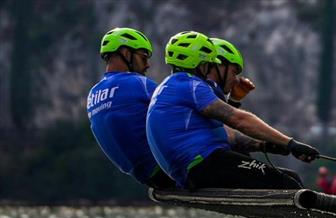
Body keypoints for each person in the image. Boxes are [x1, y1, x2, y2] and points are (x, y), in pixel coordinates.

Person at [146, 31, 318, 190]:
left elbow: (227, 134)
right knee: (288, 183)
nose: (236, 79)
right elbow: (238, 120)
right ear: (200, 63)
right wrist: (291, 143)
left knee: (286, 179)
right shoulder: (191, 85)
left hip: (192, 170)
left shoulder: (173, 85)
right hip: (207, 164)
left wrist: (265, 145)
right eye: (208, 64)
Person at [87, 27, 173, 189]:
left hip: (145, 177)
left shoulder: (93, 94)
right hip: (168, 169)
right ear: (126, 54)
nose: (147, 65)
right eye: (143, 57)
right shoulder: (137, 83)